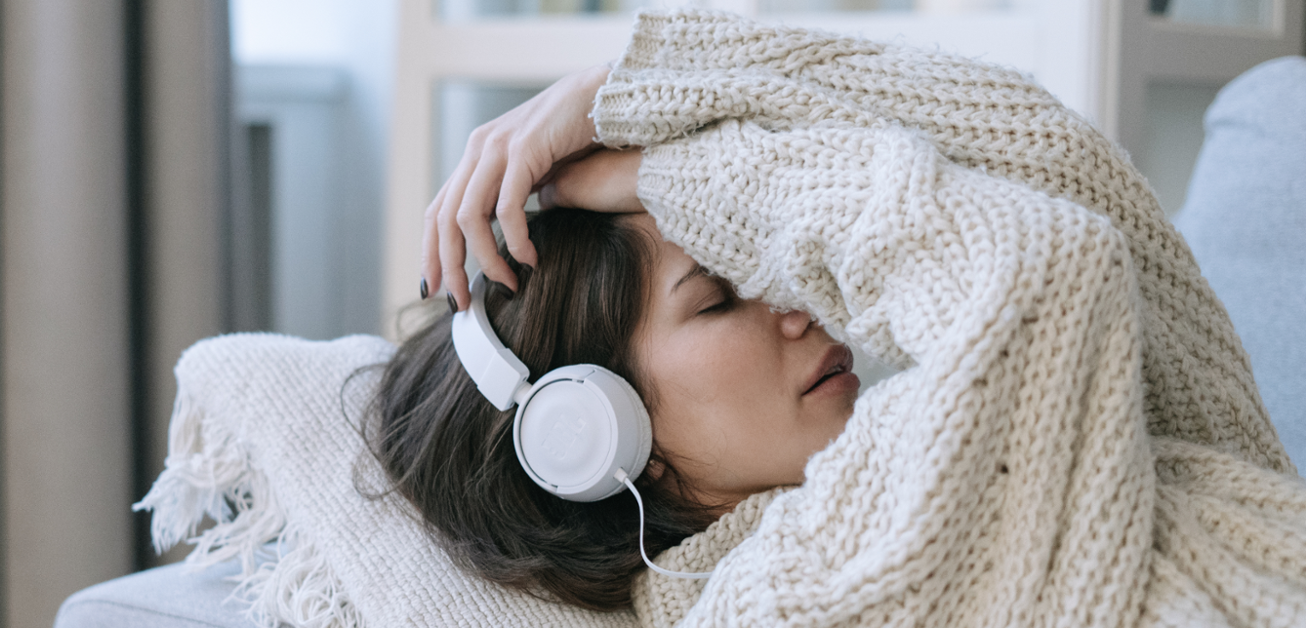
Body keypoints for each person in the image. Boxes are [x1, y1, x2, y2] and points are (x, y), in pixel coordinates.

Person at [375, 9, 1306, 627]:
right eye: (722, 294)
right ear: (607, 436)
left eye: (759, 252)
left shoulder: (938, 452)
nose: (796, 299)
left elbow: (1061, 169)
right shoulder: (783, 594)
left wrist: (644, 88)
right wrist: (690, 173)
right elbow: (1049, 267)